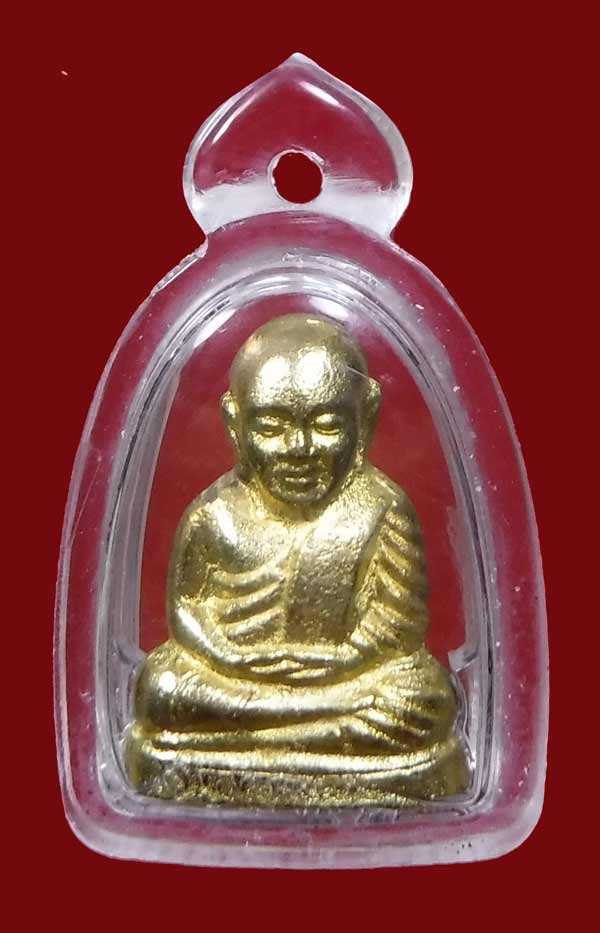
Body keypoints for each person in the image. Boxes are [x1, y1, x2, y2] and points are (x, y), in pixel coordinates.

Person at [127, 314, 468, 805]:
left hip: (346, 681)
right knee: (161, 687)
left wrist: (339, 664)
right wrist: (228, 658)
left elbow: (399, 628)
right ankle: (308, 736)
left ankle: (265, 740)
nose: (300, 449)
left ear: (366, 416)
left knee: (423, 697)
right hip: (238, 677)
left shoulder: (381, 510)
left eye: (328, 425)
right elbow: (187, 613)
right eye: (271, 427)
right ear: (234, 423)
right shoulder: (215, 514)